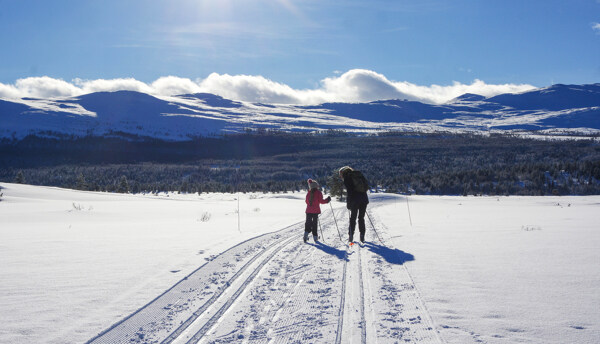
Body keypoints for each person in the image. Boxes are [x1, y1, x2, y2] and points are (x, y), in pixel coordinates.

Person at [339, 166, 369, 243]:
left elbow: (350, 192)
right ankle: (362, 235)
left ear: (343, 172)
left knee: (353, 218)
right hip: (364, 199)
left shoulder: (347, 178)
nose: (340, 176)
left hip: (355, 200)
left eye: (340, 174)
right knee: (361, 218)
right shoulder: (358, 175)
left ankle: (351, 235)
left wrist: (348, 203)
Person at [304, 179, 331, 243]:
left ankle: (306, 233)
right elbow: (321, 201)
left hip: (308, 211)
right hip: (315, 211)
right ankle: (315, 237)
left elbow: (306, 201)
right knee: (314, 224)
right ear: (316, 186)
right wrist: (327, 200)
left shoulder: (309, 193)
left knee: (308, 222)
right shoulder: (318, 193)